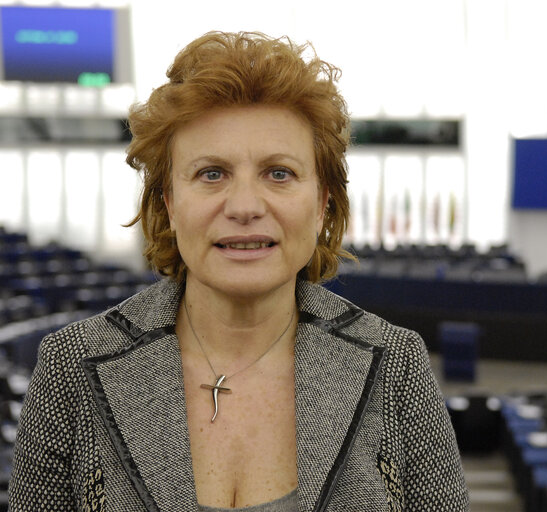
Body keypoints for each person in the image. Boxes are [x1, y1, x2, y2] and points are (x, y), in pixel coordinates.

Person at [9, 31, 469, 511]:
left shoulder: (396, 364)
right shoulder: (71, 367)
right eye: (212, 174)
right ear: (169, 203)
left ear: (321, 204)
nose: (245, 206)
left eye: (279, 173)